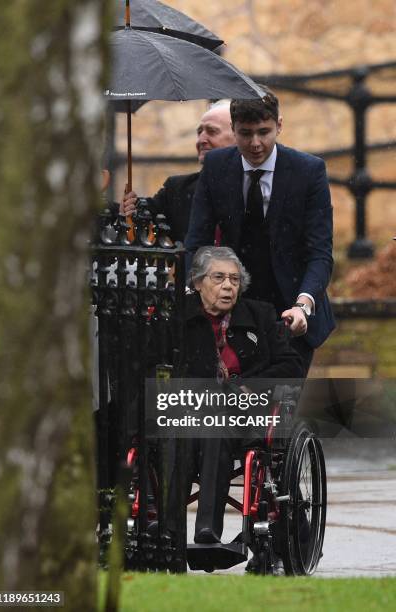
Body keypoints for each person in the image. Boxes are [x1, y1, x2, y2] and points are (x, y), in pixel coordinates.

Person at [184, 92, 336, 372]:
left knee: (280, 407)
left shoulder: (308, 171)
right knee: (234, 410)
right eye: (246, 134)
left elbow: (320, 253)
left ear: (279, 125)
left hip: (291, 312)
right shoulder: (217, 166)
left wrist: (304, 305)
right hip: (234, 308)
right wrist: (196, 292)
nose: (255, 144)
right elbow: (197, 242)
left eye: (264, 132)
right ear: (233, 129)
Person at [163, 246, 303, 545]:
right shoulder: (176, 316)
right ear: (198, 282)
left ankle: (207, 531)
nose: (228, 286)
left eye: (235, 280)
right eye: (219, 278)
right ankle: (169, 532)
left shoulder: (260, 314)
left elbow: (290, 363)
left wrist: (251, 384)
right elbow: (154, 363)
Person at [120, 101, 235, 242]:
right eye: (199, 132)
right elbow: (143, 221)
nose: (201, 140)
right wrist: (129, 210)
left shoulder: (253, 185)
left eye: (212, 131)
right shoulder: (177, 189)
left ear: (238, 136)